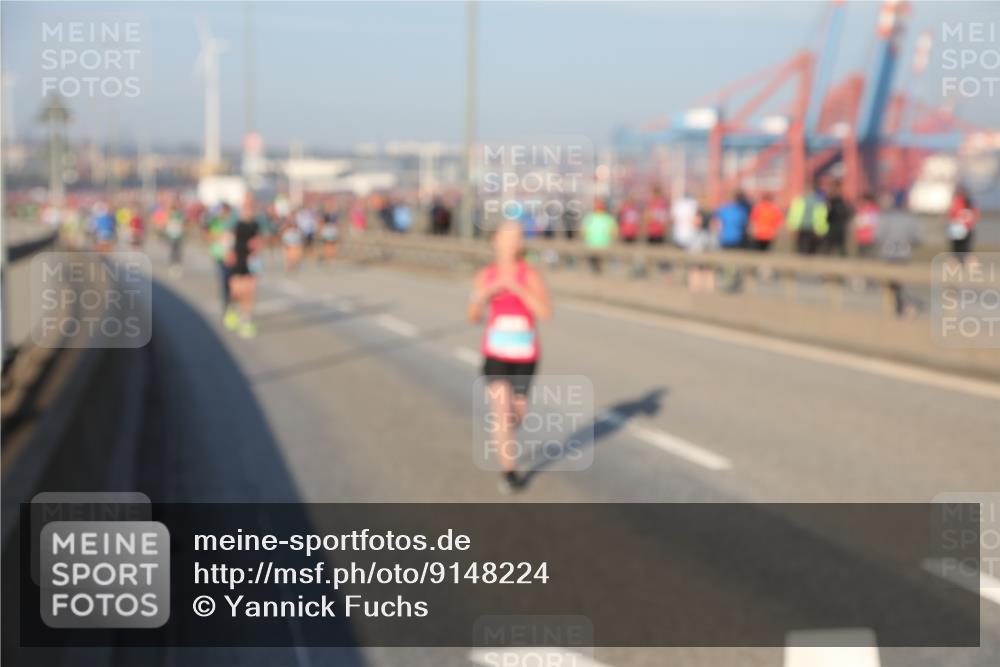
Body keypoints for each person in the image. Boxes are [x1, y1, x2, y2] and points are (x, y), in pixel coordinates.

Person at [468, 222, 551, 494]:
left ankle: (507, 431)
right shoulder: (486, 275)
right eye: (508, 238)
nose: (513, 243)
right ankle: (509, 472)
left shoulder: (530, 274)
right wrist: (485, 295)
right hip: (495, 354)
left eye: (517, 239)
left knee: (517, 414)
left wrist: (517, 289)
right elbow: (472, 317)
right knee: (502, 412)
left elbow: (545, 313)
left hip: (525, 356)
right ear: (496, 241)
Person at [877, 191, 924, 318]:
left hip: (888, 254)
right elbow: (918, 238)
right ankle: (903, 308)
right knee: (902, 284)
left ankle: (893, 310)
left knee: (890, 285)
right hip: (903, 255)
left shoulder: (886, 218)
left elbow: (878, 236)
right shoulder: (910, 219)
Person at [225, 198, 263, 338]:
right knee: (236, 291)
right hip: (237, 259)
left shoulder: (256, 224)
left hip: (251, 260)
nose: (249, 211)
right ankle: (232, 309)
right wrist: (229, 253)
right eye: (246, 208)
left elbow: (258, 240)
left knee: (249, 291)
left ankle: (246, 320)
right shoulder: (235, 224)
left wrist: (257, 247)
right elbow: (227, 239)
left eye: (251, 208)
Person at [787, 182, 829, 255]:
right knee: (805, 246)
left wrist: (792, 226)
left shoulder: (800, 200)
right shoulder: (801, 200)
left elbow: (821, 216)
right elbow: (794, 214)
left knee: (807, 246)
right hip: (804, 226)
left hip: (810, 227)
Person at [208, 203, 236, 314]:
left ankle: (232, 303)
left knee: (233, 281)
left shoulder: (233, 223)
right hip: (219, 255)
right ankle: (226, 305)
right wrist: (220, 235)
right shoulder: (216, 222)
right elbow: (211, 235)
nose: (222, 213)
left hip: (232, 256)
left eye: (224, 211)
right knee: (224, 280)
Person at [581, 198, 617, 274]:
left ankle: (599, 271)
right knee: (594, 261)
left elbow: (613, 230)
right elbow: (583, 230)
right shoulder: (590, 217)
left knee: (601, 261)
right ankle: (596, 271)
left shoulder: (607, 218)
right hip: (592, 243)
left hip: (603, 244)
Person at [946, 186, 979, 257]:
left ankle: (964, 261)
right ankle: (959, 261)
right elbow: (951, 215)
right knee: (957, 248)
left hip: (967, 228)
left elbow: (975, 214)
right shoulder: (956, 202)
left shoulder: (970, 202)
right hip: (958, 228)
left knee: (966, 248)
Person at [824, 179, 853, 256]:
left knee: (839, 246)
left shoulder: (840, 201)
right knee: (830, 246)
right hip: (834, 225)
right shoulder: (832, 201)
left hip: (838, 226)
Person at [854, 192, 879, 259]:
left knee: (869, 257)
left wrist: (863, 224)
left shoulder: (873, 210)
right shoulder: (861, 209)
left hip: (870, 238)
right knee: (861, 256)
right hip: (861, 237)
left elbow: (874, 223)